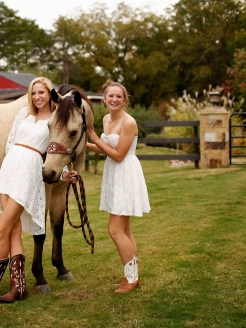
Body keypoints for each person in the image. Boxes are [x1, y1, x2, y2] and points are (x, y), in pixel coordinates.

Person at [0, 77, 77, 303]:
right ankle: (18, 288)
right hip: (10, 167)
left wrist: (65, 173)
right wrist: (11, 163)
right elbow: (10, 143)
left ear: (50, 93)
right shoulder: (24, 115)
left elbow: (58, 149)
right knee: (12, 231)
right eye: (34, 93)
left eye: (42, 92)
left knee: (1, 229)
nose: (37, 97)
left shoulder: (56, 119)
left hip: (29, 171)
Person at [86, 80, 150, 293]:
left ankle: (131, 279)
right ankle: (131, 276)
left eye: (118, 97)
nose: (114, 100)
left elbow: (119, 155)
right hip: (113, 173)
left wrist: (94, 136)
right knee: (125, 229)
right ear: (104, 99)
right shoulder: (105, 118)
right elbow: (106, 149)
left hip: (125, 173)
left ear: (125, 100)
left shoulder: (128, 122)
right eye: (110, 96)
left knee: (114, 230)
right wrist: (81, 144)